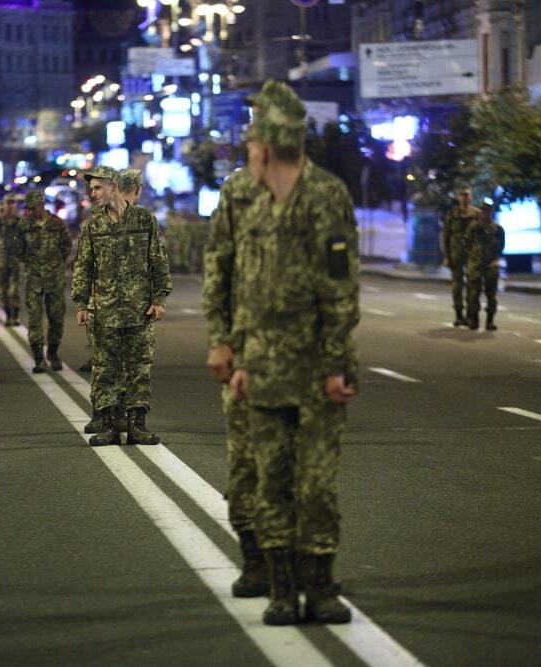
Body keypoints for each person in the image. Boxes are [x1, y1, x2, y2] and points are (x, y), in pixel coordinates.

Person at [227, 80, 359, 626]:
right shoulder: (250, 203)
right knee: (270, 482)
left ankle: (320, 586)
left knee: (317, 485)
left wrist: (335, 366)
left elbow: (340, 290)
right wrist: (237, 359)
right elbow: (244, 288)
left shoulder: (327, 196)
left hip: (312, 371)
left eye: (252, 142)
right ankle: (282, 589)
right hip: (260, 370)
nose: (248, 152)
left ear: (265, 148)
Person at [202, 166, 269, 599]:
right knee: (245, 464)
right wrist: (221, 340)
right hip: (247, 352)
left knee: (305, 470)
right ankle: (255, 561)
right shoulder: (238, 191)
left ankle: (305, 567)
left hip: (303, 361)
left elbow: (338, 283)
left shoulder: (321, 190)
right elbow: (218, 270)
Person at [73, 165, 171, 446]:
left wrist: (159, 299)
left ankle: (138, 425)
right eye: (91, 189)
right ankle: (110, 426)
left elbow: (158, 260)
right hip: (104, 311)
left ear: (113, 186)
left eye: (97, 188)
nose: (93, 194)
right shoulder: (93, 225)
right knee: (106, 369)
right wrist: (81, 303)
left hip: (139, 310)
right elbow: (84, 266)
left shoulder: (143, 219)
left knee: (139, 368)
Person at [19, 189, 71, 373]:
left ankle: (53, 353)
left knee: (56, 318)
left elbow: (66, 246)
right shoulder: (24, 225)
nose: (30, 212)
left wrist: (55, 265)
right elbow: (19, 250)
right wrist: (31, 265)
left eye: (33, 208)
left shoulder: (57, 224)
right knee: (34, 319)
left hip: (54, 279)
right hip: (33, 279)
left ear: (42, 205)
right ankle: (39, 358)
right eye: (28, 209)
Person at [442, 186, 481, 327]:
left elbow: (481, 235)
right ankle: (459, 314)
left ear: (471, 197)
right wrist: (446, 256)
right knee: (457, 286)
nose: (465, 197)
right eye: (462, 195)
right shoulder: (452, 214)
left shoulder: (477, 214)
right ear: (458, 197)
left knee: (473, 285)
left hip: (472, 254)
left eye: (467, 195)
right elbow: (446, 236)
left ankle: (471, 315)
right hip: (456, 253)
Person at [465, 203, 506, 331]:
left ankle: (490, 321)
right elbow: (466, 243)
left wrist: (495, 258)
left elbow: (501, 246)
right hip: (475, 264)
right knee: (474, 293)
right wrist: (472, 256)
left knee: (491, 294)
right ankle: (474, 320)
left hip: (491, 264)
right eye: (482, 212)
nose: (484, 215)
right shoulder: (474, 227)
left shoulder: (498, 229)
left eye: (486, 212)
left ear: (491, 213)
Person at [0, 194, 24, 325]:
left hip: (15, 262)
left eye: (13, 203)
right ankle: (4, 314)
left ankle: (15, 317)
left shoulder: (20, 222)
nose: (11, 205)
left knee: (14, 290)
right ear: (4, 204)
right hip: (0, 262)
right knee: (1, 290)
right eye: (9, 203)